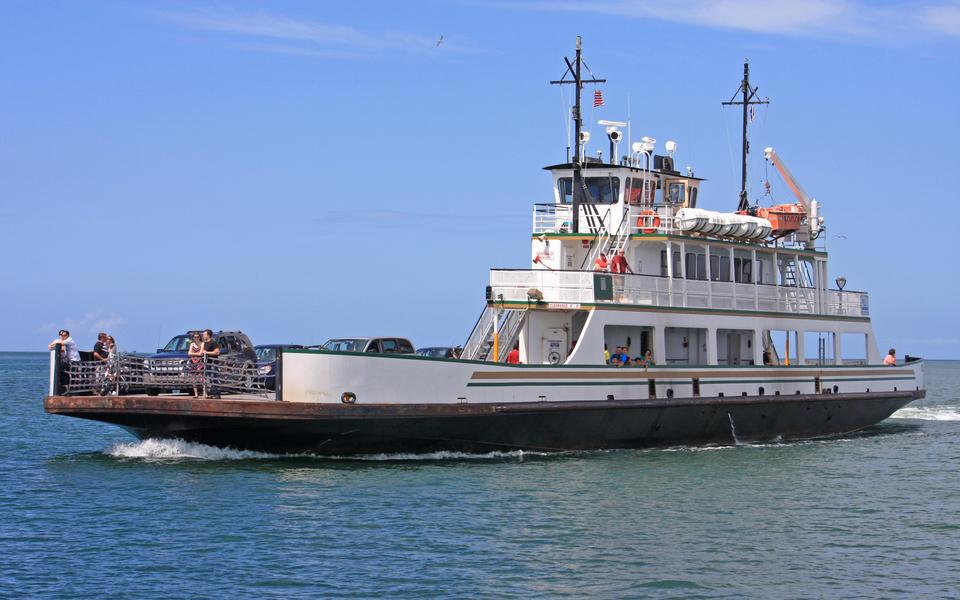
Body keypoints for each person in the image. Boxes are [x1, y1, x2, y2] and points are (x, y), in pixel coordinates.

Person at [201, 329, 222, 398]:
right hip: (206, 364)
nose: (203, 336)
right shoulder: (204, 343)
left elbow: (217, 352)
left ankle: (217, 394)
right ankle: (210, 393)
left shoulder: (213, 342)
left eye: (204, 334)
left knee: (214, 378)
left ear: (208, 335)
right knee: (208, 379)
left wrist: (207, 352)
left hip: (213, 363)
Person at [188, 332, 204, 397]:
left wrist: (193, 353)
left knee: (202, 378)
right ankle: (196, 394)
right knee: (193, 378)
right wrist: (197, 354)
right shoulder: (192, 344)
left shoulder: (202, 343)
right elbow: (189, 353)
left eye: (197, 336)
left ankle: (205, 393)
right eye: (195, 337)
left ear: (200, 337)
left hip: (200, 362)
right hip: (192, 362)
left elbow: (201, 354)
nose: (196, 338)